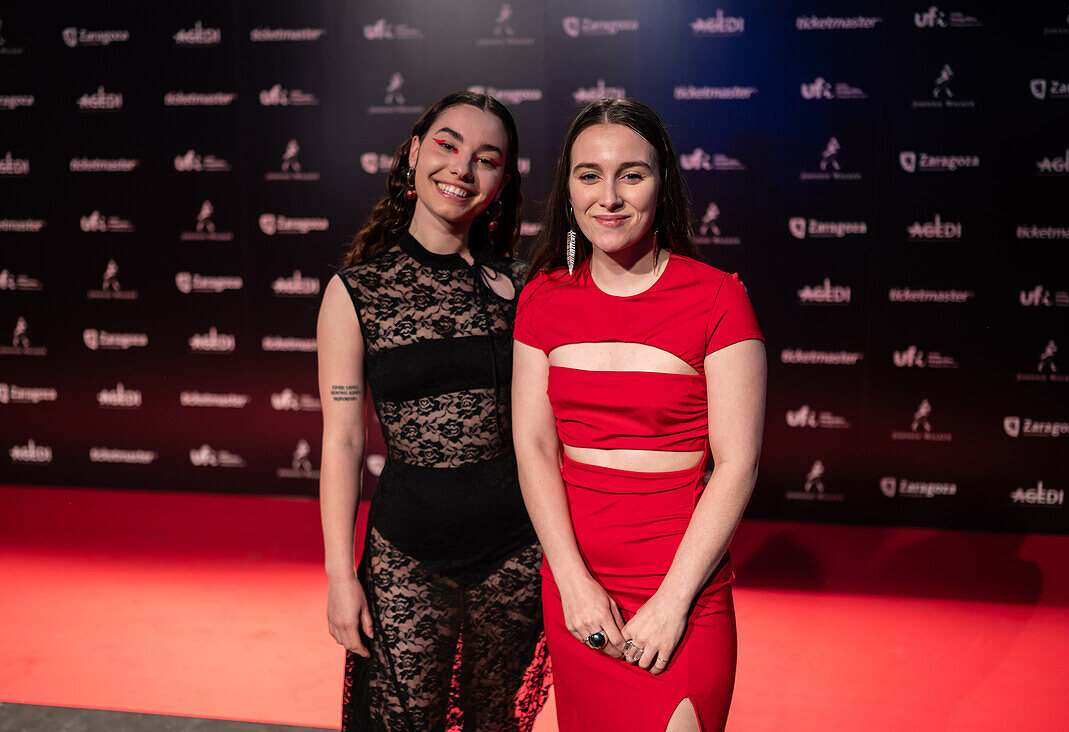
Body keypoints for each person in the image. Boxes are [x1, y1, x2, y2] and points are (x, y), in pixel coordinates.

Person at [512, 98, 766, 731]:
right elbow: (535, 449)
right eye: (589, 174)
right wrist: (571, 581)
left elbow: (737, 465)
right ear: (567, 189)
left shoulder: (716, 297)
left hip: (682, 584)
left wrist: (673, 602)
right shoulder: (543, 298)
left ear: (663, 184)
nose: (610, 196)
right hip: (576, 586)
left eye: (632, 173)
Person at [317, 91, 548, 732]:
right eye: (447, 145)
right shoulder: (355, 292)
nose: (462, 169)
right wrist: (341, 576)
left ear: (502, 182)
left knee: (492, 723)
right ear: (415, 154)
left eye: (487, 158)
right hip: (408, 556)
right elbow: (340, 442)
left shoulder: (525, 287)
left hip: (517, 555)